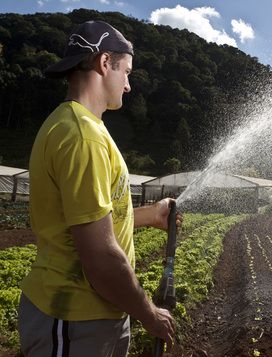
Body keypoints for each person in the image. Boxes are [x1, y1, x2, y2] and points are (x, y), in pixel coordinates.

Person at [18, 20, 181, 356]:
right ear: (105, 63)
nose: (128, 86)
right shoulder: (82, 136)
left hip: (89, 318)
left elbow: (91, 218)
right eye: (127, 72)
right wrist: (149, 313)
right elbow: (100, 256)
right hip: (73, 319)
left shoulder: (83, 126)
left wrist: (150, 214)